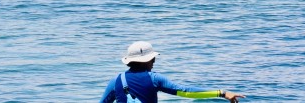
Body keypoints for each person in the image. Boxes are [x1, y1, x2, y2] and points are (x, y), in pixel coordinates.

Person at [99, 41, 244, 103]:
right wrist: (222, 93)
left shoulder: (116, 81)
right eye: (153, 59)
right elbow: (186, 92)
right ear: (148, 60)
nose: (154, 63)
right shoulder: (154, 79)